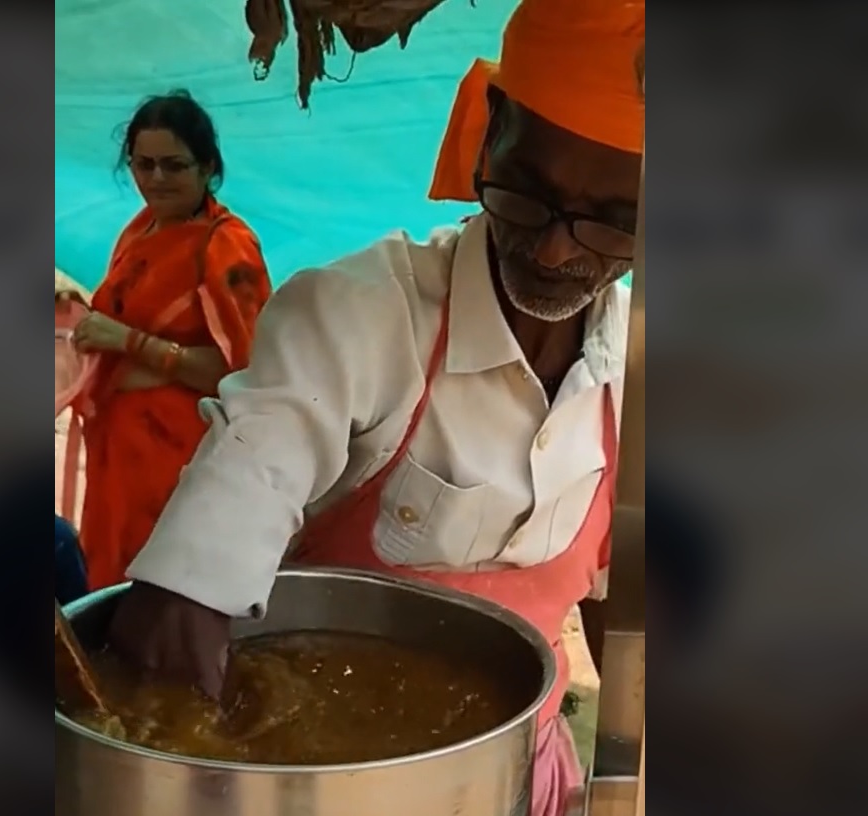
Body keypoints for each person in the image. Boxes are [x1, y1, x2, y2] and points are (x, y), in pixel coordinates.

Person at [110, 1, 643, 813]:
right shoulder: (361, 313)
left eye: (612, 224)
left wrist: (623, 779)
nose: (553, 249)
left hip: (521, 782)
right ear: (490, 127)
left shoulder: (640, 379)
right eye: (528, 193)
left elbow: (624, 617)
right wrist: (187, 594)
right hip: (327, 787)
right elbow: (257, 456)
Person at [56, 90, 272, 591]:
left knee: (158, 592)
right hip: (119, 451)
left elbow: (244, 375)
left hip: (177, 460)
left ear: (207, 167)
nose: (155, 179)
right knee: (108, 586)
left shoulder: (227, 248)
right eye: (143, 164)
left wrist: (131, 343)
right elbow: (127, 316)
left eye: (173, 166)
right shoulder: (143, 226)